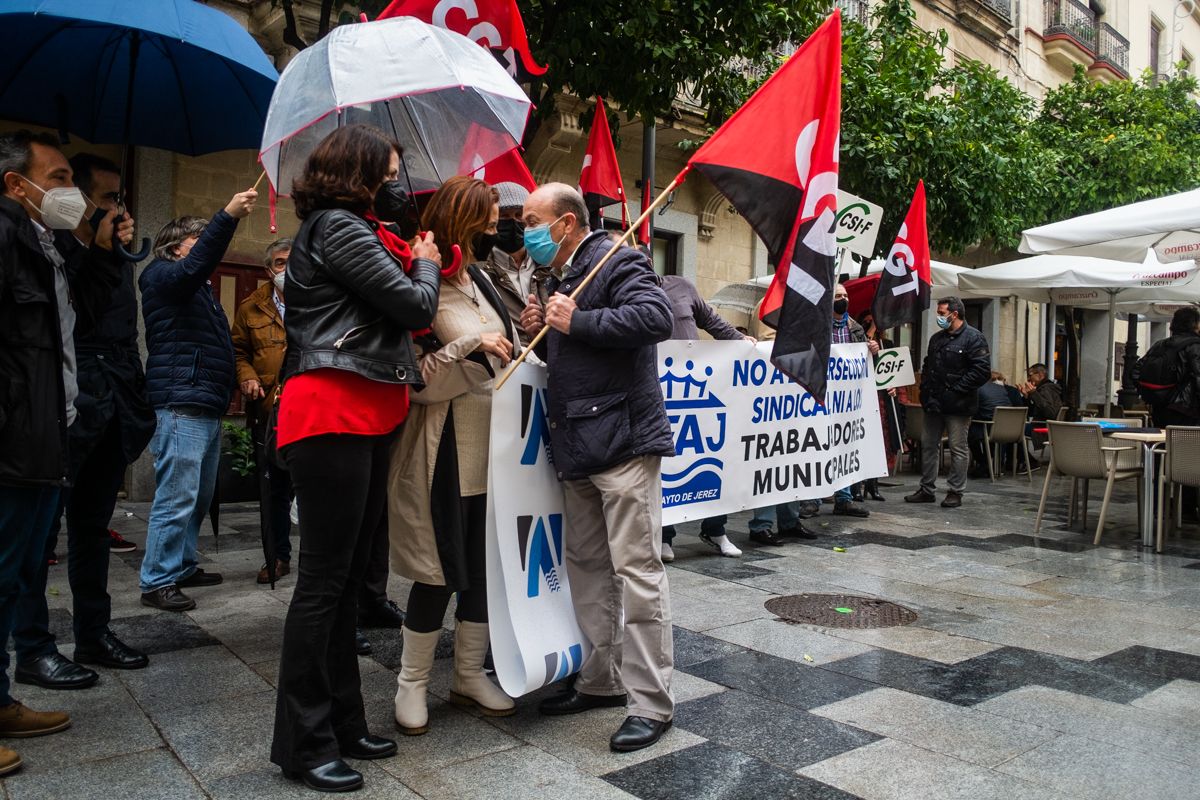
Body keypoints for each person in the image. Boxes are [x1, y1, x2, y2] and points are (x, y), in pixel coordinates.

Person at [269, 124, 440, 794]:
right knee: (322, 584)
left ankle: (343, 723)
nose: (399, 183)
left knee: (343, 586)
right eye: (391, 170)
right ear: (360, 173)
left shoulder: (353, 230)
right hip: (332, 409)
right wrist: (423, 259)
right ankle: (304, 744)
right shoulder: (339, 227)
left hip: (365, 408)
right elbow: (414, 305)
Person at [519, 183, 675, 753]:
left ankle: (652, 703)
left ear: (564, 222)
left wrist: (577, 320)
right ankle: (601, 679)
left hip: (624, 442)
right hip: (579, 445)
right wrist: (544, 322)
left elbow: (654, 317)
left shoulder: (617, 257)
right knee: (587, 567)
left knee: (636, 572)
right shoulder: (558, 276)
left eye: (532, 220)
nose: (525, 231)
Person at [0, 130, 133, 772]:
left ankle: (9, 692)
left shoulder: (48, 248)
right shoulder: (11, 240)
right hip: (21, 436)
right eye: (58, 181)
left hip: (66, 420)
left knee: (46, 552)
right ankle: (26, 654)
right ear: (15, 184)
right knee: (11, 563)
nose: (72, 197)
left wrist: (104, 250)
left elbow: (79, 324)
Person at [14, 153, 155, 690]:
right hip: (68, 410)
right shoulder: (50, 250)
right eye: (107, 197)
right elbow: (78, 317)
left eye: (120, 198)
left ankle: (95, 632)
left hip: (114, 405)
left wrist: (112, 250)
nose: (116, 207)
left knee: (93, 528)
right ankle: (33, 646)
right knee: (41, 534)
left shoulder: (111, 254)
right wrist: (92, 249)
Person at [388, 175, 516, 736]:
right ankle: (411, 684)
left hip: (499, 450)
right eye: (488, 219)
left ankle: (467, 674)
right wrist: (471, 345)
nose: (498, 228)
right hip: (446, 449)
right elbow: (417, 381)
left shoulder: (481, 279)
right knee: (438, 569)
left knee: (485, 569)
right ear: (461, 220)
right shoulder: (418, 285)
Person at [138, 188, 256, 611]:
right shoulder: (162, 274)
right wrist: (227, 215)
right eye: (197, 243)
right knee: (177, 496)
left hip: (203, 404)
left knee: (199, 495)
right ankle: (157, 579)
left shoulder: (196, 289)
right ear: (175, 248)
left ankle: (183, 564)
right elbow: (196, 266)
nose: (206, 254)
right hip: (180, 404)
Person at [659, 273, 751, 560]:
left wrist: (741, 341)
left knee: (711, 454)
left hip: (698, 389)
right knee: (668, 462)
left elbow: (712, 321)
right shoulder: (624, 290)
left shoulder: (682, 286)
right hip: (656, 391)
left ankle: (716, 528)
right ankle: (664, 536)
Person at [232, 238, 294, 584]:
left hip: (307, 409)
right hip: (269, 411)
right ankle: (276, 557)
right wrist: (247, 377)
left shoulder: (318, 302)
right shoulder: (250, 307)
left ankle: (320, 561)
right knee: (273, 490)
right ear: (269, 269)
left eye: (294, 261)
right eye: (282, 263)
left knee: (315, 492)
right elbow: (238, 351)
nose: (288, 269)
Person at [905, 296, 991, 508]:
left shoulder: (974, 338)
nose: (939, 317)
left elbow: (981, 371)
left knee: (957, 447)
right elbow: (928, 365)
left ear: (955, 314)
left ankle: (955, 491)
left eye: (942, 313)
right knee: (928, 445)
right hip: (934, 402)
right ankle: (927, 489)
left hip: (959, 405)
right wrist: (925, 391)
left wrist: (956, 390)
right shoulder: (937, 339)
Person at [479, 181, 550, 347]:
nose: (513, 222)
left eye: (519, 215)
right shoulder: (480, 269)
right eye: (504, 216)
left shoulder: (549, 263)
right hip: (506, 359)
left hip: (547, 358)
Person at [969, 371, 1023, 478]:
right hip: (1009, 431)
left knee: (968, 434)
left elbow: (973, 410)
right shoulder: (1002, 389)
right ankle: (989, 464)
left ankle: (984, 463)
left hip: (990, 429)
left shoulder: (978, 389)